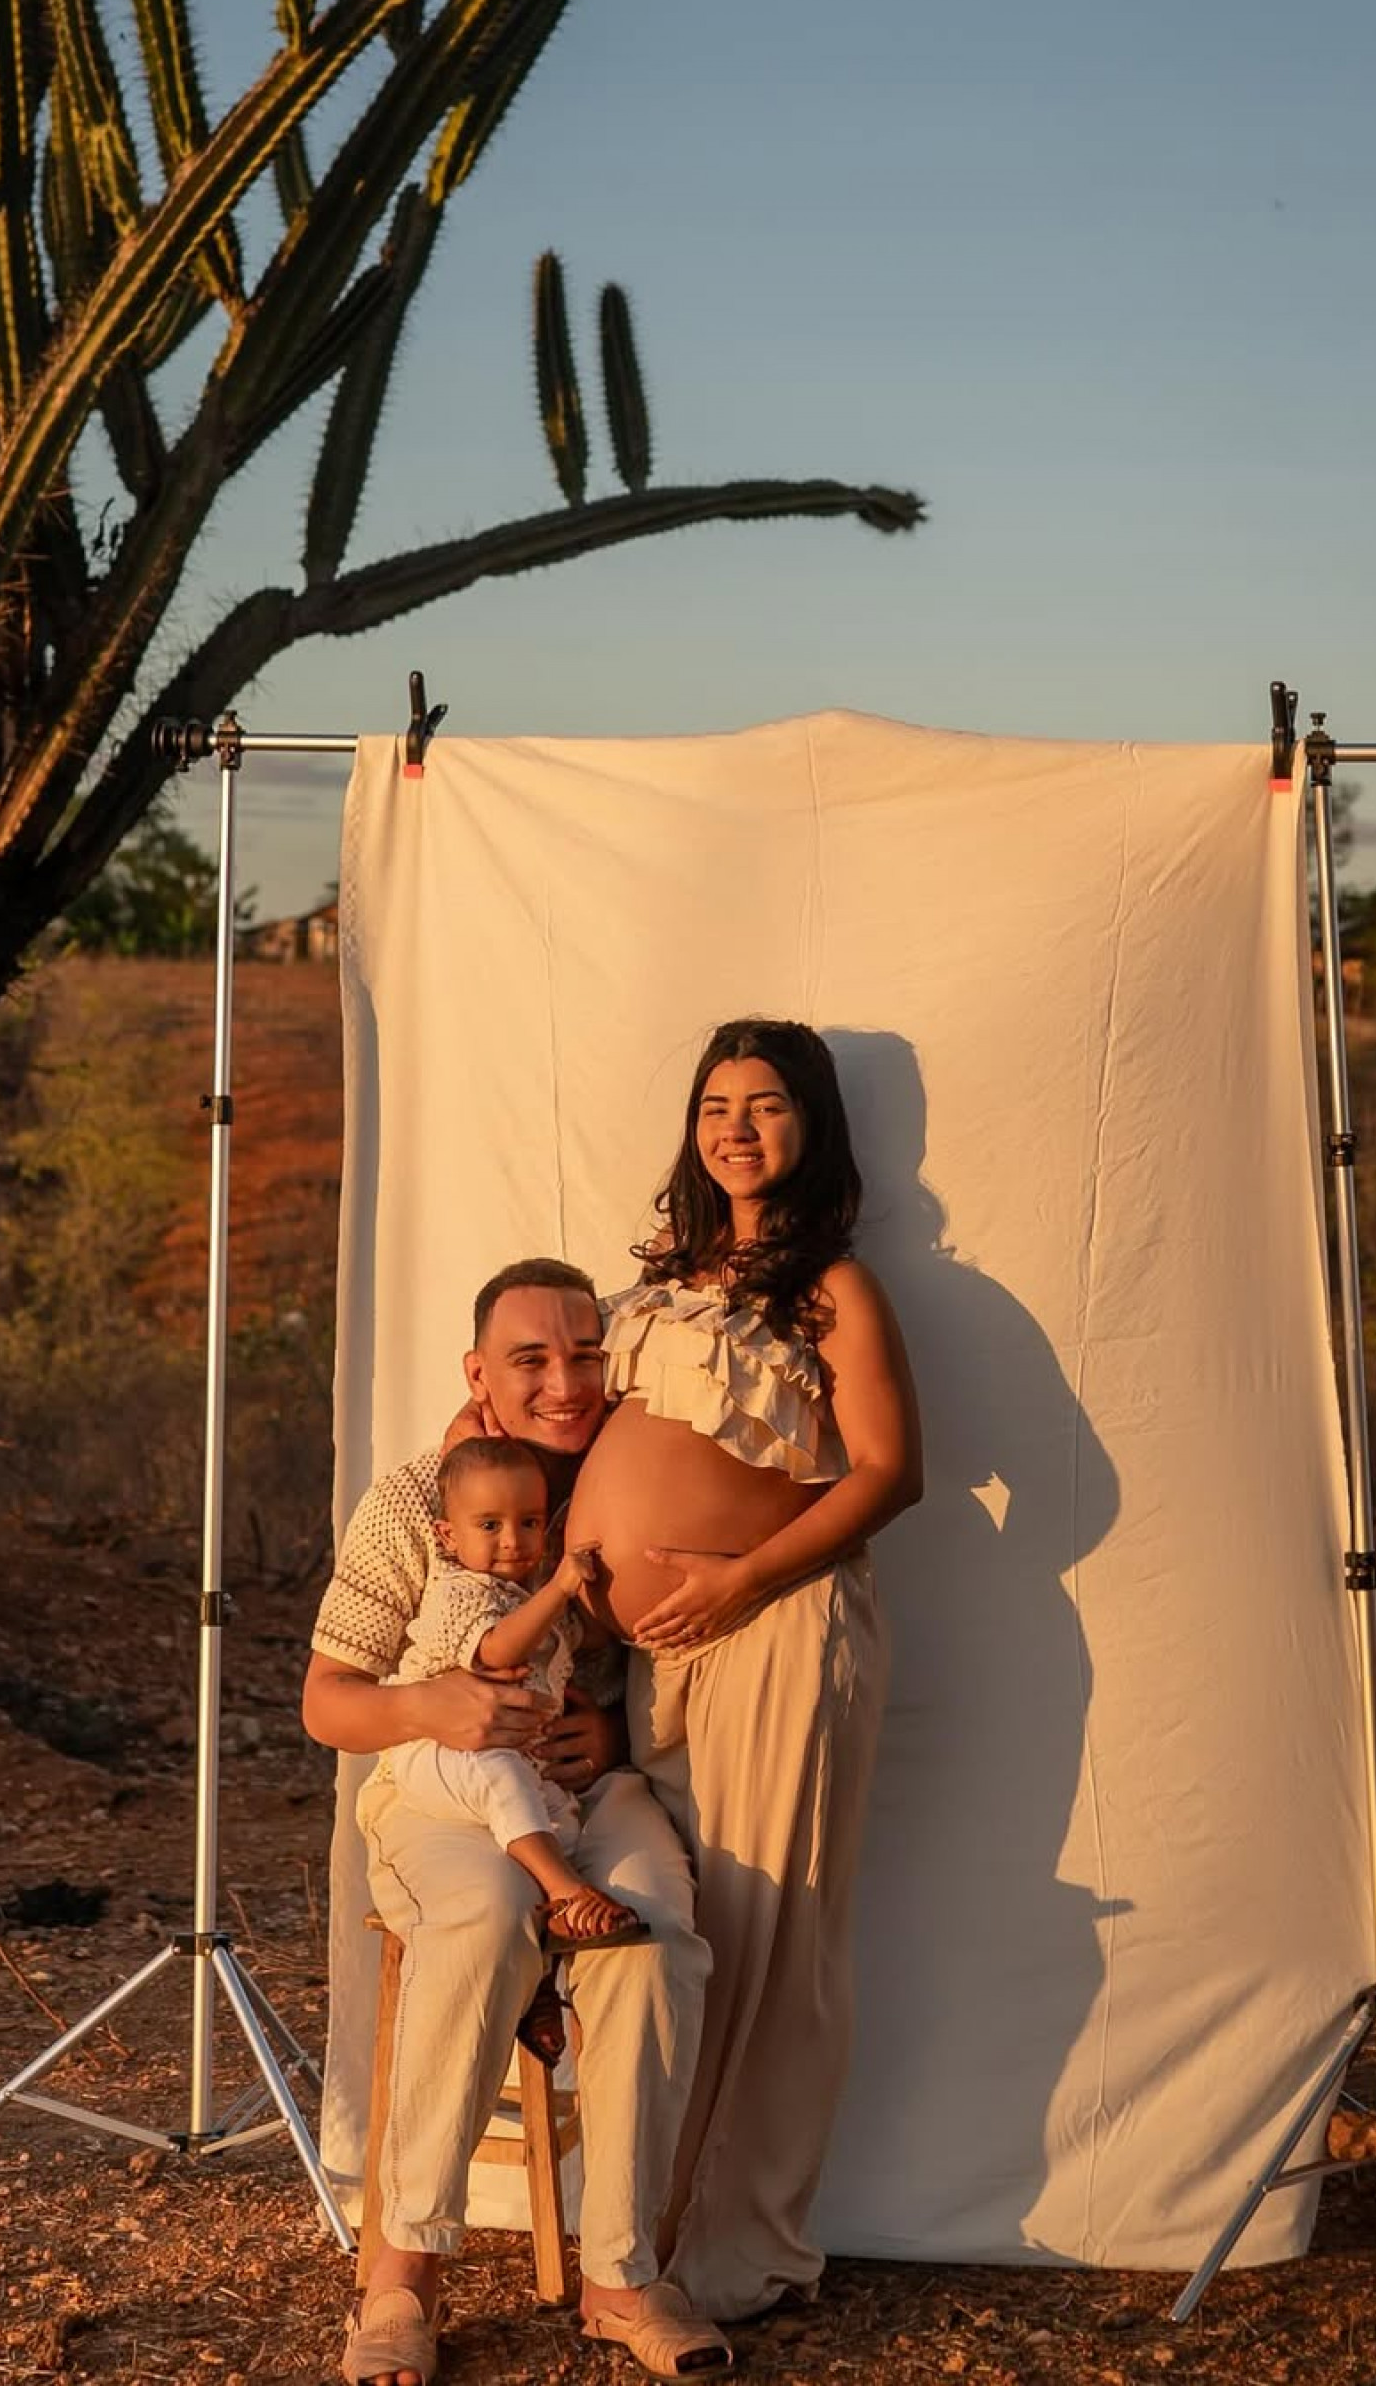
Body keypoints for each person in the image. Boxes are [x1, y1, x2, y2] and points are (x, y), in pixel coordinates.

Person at [304, 1259, 730, 2386]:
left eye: (586, 1354)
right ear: (477, 1373)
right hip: (445, 1786)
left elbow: (676, 1667)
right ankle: (402, 2274)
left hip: (584, 1789)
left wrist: (615, 1735)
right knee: (488, 1914)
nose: (564, 1381)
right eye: (530, 1358)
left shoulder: (637, 1489)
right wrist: (429, 1703)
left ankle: (623, 2275)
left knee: (653, 1933)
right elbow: (326, 1702)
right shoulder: (417, 1498)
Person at [565, 1020, 924, 2322]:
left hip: (779, 1624)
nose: (736, 1127)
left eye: (765, 1104)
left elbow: (892, 1471)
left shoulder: (834, 1286)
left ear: (810, 1123)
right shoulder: (663, 1276)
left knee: (774, 1933)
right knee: (688, 1925)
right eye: (716, 1104)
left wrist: (743, 1578)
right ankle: (642, 2232)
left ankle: (740, 2246)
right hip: (660, 1657)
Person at [376, 1435, 645, 1949]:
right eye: (490, 1526)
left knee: (559, 1820)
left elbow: (581, 1638)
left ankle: (551, 1938)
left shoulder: (528, 1596)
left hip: (516, 1759)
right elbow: (498, 1651)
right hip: (438, 1753)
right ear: (448, 1536)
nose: (512, 1541)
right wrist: (562, 1587)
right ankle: (566, 1892)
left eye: (529, 1523)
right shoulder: (459, 1591)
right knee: (501, 1777)